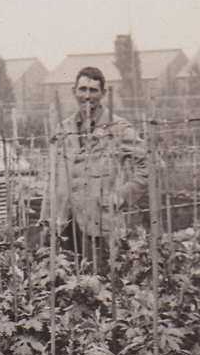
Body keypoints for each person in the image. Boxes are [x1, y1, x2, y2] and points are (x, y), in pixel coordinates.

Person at [41, 66, 148, 266]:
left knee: (100, 283)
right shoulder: (63, 129)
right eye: (82, 89)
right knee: (65, 282)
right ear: (74, 91)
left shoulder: (119, 128)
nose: (87, 96)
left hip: (100, 224)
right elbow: (53, 176)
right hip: (65, 225)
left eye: (93, 90)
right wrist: (48, 218)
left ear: (103, 93)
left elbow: (148, 167)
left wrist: (122, 195)